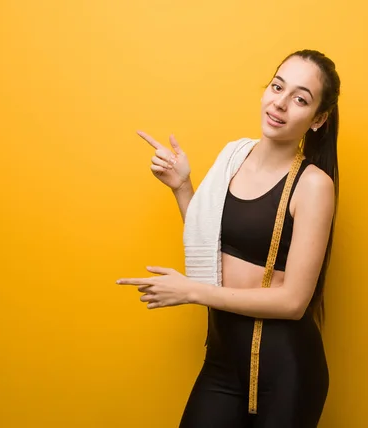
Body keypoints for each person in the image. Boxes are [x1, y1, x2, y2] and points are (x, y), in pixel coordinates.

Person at [117, 49, 341, 427]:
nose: (280, 103)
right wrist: (182, 187)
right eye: (277, 87)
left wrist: (190, 291)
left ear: (318, 119)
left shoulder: (314, 186)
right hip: (222, 362)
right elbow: (210, 243)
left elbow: (293, 302)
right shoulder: (233, 156)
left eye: (300, 99)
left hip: (286, 374)